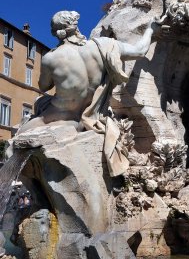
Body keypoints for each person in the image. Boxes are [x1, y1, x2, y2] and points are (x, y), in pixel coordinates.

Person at [17, 10, 159, 177]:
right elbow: (139, 51)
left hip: (53, 116)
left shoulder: (51, 58)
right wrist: (151, 29)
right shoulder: (104, 46)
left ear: (56, 32)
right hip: (83, 119)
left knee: (19, 139)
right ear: (75, 26)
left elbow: (43, 86)